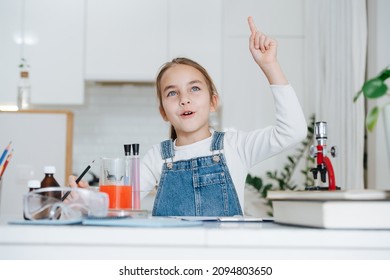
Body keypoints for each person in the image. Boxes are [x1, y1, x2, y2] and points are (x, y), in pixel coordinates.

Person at [69, 16, 307, 216]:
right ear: (163, 112)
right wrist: (86, 200)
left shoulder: (235, 146)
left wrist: (270, 65)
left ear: (213, 102)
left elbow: (293, 131)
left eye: (194, 88)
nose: (184, 99)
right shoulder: (156, 158)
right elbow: (115, 205)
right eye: (172, 93)